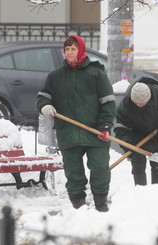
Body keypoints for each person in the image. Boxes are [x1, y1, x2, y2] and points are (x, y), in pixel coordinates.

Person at [36, 36, 116, 212]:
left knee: (100, 168)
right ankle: (78, 205)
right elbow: (42, 97)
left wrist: (104, 126)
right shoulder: (55, 76)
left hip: (95, 132)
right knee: (73, 172)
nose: (70, 52)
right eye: (67, 49)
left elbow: (109, 103)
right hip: (69, 132)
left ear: (81, 50)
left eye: (73, 49)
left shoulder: (97, 74)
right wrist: (46, 106)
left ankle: (101, 204)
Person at [114, 77, 158, 185]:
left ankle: (157, 189)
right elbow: (120, 128)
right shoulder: (125, 105)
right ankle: (140, 190)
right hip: (136, 133)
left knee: (157, 159)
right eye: (137, 103)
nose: (139, 105)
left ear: (149, 98)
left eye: (143, 103)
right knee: (137, 160)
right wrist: (128, 144)